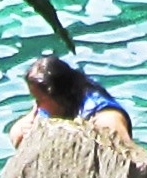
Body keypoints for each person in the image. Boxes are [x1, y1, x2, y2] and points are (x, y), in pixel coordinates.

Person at [9, 55, 140, 159]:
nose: (37, 106)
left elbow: (129, 156)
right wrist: (28, 133)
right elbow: (15, 135)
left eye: (40, 100)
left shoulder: (104, 116)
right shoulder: (53, 106)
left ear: (57, 95)